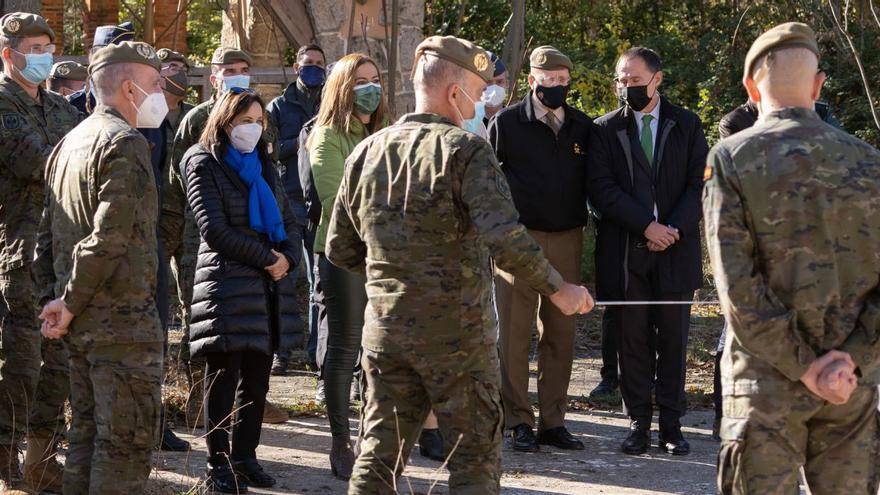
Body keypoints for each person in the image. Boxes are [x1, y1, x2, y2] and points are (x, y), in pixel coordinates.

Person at [327, 35, 594, 494]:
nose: (484, 101)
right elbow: (506, 239)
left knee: (378, 459)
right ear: (456, 93)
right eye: (480, 90)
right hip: (458, 340)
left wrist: (399, 278)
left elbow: (341, 250)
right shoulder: (466, 151)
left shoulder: (366, 152)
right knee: (473, 462)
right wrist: (560, 289)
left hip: (388, 334)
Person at [706, 22, 880, 494]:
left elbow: (738, 289)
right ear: (819, 85)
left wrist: (804, 367)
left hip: (765, 386)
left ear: (750, 88)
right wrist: (851, 362)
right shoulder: (870, 163)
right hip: (849, 387)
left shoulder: (732, 158)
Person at [35, 40, 166, 494]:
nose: (161, 93)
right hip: (120, 325)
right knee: (124, 446)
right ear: (130, 88)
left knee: (87, 438)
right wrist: (67, 302)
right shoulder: (124, 142)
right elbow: (107, 238)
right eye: (154, 84)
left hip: (83, 322)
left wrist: (56, 303)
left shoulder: (70, 141)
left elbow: (46, 238)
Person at [162, 47, 292, 427]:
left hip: (258, 238)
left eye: (243, 69)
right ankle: (201, 399)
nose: (238, 75)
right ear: (215, 76)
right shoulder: (197, 120)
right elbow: (179, 182)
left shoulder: (261, 118)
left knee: (253, 325)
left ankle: (251, 402)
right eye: (229, 70)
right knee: (207, 323)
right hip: (204, 236)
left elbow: (270, 179)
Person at [587, 46, 708, 456]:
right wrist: (646, 226)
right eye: (621, 81)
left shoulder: (687, 125)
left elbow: (698, 184)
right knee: (632, 340)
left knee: (673, 340)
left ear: (658, 79)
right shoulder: (604, 129)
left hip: (676, 248)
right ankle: (638, 422)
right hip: (625, 251)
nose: (626, 88)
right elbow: (602, 189)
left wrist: (670, 228)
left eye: (635, 81)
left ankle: (672, 426)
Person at [183, 87, 302, 493]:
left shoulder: (264, 163)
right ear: (224, 122)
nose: (251, 130)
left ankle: (246, 457)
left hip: (267, 287)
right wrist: (269, 260)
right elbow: (213, 229)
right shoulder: (202, 161)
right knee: (223, 376)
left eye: (258, 122)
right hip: (225, 284)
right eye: (243, 122)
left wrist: (288, 256)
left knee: (257, 380)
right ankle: (217, 464)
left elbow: (287, 218)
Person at [488, 45, 594, 453]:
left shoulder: (582, 127)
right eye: (550, 81)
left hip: (567, 237)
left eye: (563, 81)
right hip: (518, 241)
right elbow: (492, 183)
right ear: (533, 80)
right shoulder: (508, 123)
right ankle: (517, 420)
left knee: (561, 333)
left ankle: (554, 421)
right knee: (513, 334)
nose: (557, 88)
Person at [0, 12, 82, 493]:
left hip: (62, 251)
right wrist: (71, 154)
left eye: (46, 47)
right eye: (33, 48)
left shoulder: (61, 107)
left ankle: (42, 458)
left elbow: (82, 161)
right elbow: (37, 161)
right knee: (20, 362)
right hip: (19, 249)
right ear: (9, 54)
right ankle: (6, 459)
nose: (43, 56)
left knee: (60, 361)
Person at [307, 52, 389, 480]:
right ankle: (340, 441)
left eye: (375, 79)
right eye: (360, 81)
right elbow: (336, 198)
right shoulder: (327, 136)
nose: (370, 88)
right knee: (343, 349)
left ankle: (371, 437)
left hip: (384, 256)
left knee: (377, 352)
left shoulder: (382, 132)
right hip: (343, 255)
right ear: (342, 86)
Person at [267, 43, 327, 375]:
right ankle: (282, 352)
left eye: (319, 63)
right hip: (290, 201)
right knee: (286, 277)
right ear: (296, 67)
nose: (313, 68)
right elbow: (270, 149)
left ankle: (317, 352)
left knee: (321, 278)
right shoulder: (279, 106)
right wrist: (302, 141)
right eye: (308, 63)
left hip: (321, 200)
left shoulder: (331, 104)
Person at [67, 21, 135, 114]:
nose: (128, 67)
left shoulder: (140, 105)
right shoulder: (72, 106)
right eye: (119, 61)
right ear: (97, 60)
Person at [484, 50, 508, 121]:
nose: (494, 88)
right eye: (488, 82)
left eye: (499, 82)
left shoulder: (514, 121)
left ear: (507, 84)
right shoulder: (464, 122)